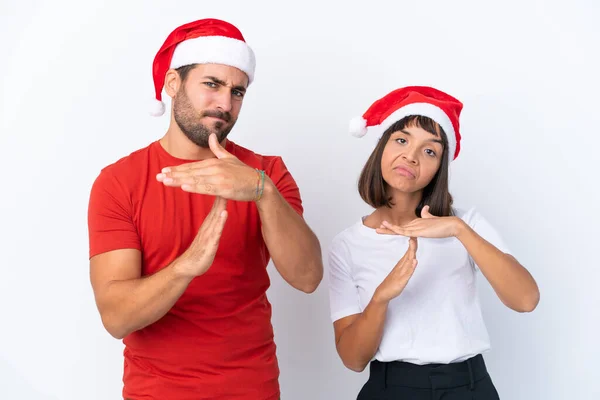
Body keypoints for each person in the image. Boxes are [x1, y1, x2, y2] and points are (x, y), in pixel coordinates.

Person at [87, 18, 323, 400]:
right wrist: (185, 267)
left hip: (253, 388)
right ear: (173, 84)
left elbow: (308, 277)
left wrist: (262, 191)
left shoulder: (268, 173)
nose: (225, 104)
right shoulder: (119, 182)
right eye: (211, 85)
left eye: (237, 92)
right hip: (156, 392)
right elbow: (117, 318)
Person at [328, 86, 540, 399]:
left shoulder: (465, 224)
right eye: (401, 139)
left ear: (439, 168)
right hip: (391, 389)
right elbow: (353, 359)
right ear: (381, 146)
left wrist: (458, 229)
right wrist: (380, 298)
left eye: (430, 151)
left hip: (468, 387)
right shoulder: (347, 245)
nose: (410, 157)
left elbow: (526, 300)